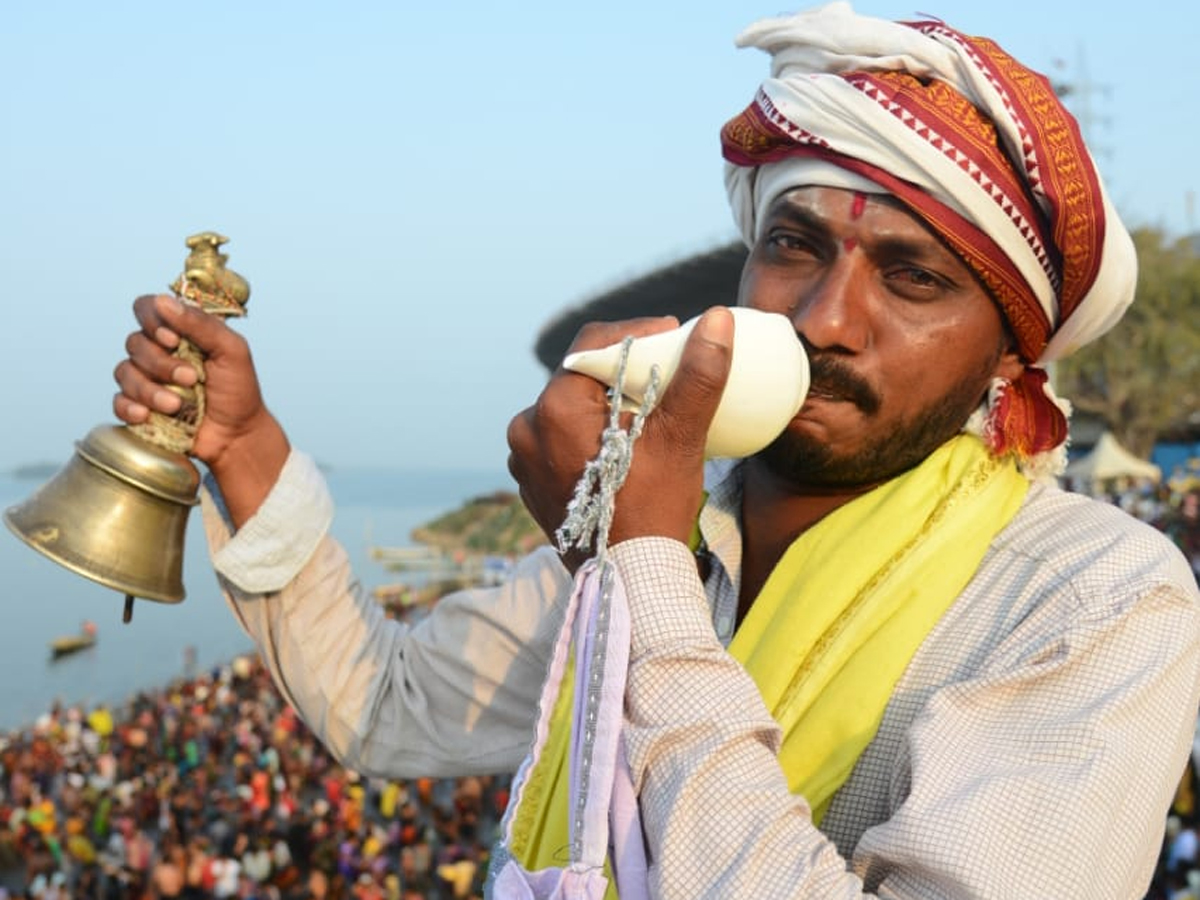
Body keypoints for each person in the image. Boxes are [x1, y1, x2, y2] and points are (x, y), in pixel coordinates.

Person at [113, 3, 1200, 897]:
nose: (828, 316)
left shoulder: (1093, 595)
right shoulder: (684, 520)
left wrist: (636, 571)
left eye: (913, 277)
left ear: (1009, 365)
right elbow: (385, 706)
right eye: (794, 245)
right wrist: (245, 446)